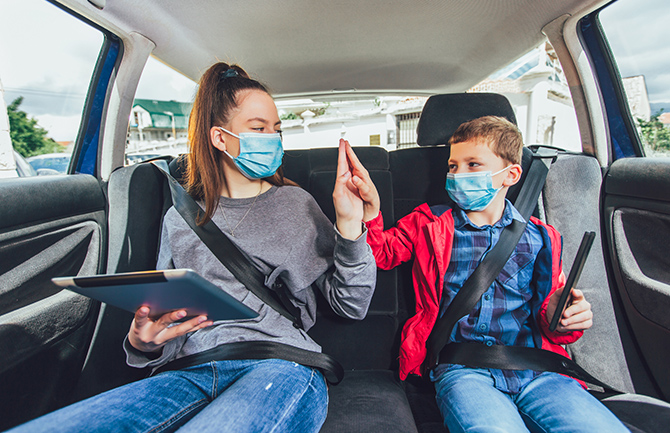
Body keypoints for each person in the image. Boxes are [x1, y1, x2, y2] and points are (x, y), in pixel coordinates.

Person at [9, 63, 376, 433]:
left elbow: (351, 304)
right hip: (187, 370)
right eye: (259, 128)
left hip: (278, 364)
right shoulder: (179, 219)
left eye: (276, 129)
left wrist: (349, 224)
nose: (273, 139)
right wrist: (144, 342)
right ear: (220, 138)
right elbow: (169, 320)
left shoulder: (297, 206)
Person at [343, 116, 629, 432]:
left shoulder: (541, 238)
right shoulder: (429, 224)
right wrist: (370, 209)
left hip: (536, 367)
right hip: (463, 367)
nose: (457, 174)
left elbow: (548, 314)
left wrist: (565, 316)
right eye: (453, 166)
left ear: (511, 174)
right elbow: (381, 253)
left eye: (473, 165)